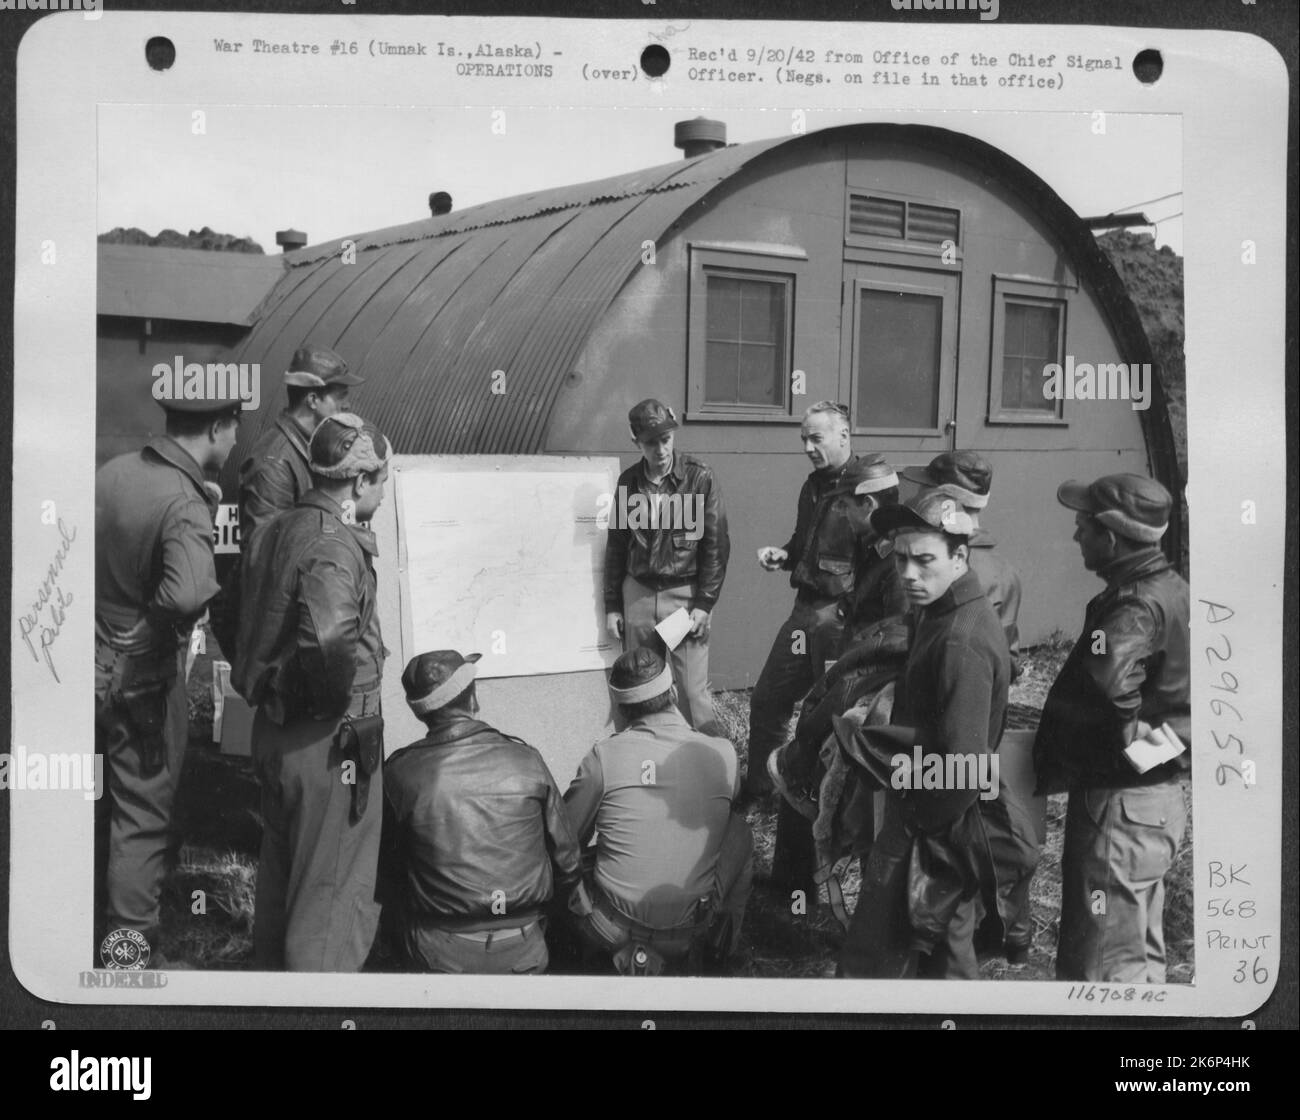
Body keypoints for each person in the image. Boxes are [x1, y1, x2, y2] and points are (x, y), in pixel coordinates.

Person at [232, 413, 391, 971]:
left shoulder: (279, 526)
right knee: (328, 906)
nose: (382, 492)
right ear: (358, 481)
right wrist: (333, 712)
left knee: (284, 887)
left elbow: (235, 612)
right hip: (331, 746)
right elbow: (328, 640)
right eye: (380, 481)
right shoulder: (335, 543)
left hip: (277, 736)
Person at [94, 386, 242, 966]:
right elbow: (185, 595)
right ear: (215, 428)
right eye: (233, 427)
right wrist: (150, 624)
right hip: (144, 679)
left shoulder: (114, 472)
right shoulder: (184, 501)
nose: (234, 441)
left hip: (91, 665)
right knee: (142, 820)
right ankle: (128, 961)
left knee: (101, 806)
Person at [836, 490, 1010, 979]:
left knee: (870, 964)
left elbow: (965, 767)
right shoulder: (940, 613)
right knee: (944, 955)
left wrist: (917, 830)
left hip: (931, 819)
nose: (909, 574)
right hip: (938, 813)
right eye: (902, 559)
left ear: (960, 556)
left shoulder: (961, 637)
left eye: (925, 560)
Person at [1034, 473, 1190, 983]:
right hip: (1156, 806)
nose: (1077, 536)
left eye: (1083, 526)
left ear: (1113, 537)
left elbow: (1112, 686)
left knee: (1101, 968)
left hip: (1120, 810)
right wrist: (1156, 752)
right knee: (1138, 956)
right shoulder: (1173, 590)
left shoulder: (1134, 605)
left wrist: (1125, 753)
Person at [381, 651, 583, 974]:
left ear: (422, 713)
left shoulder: (398, 773)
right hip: (522, 943)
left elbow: (387, 873)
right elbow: (569, 862)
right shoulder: (526, 758)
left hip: (441, 949)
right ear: (472, 698)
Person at [563, 648, 753, 974]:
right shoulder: (724, 753)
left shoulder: (603, 758)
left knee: (571, 855)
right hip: (690, 931)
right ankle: (723, 950)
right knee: (740, 832)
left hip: (611, 929)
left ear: (620, 709)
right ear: (675, 693)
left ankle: (572, 960)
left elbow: (565, 838)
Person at [603, 398, 730, 736]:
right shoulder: (628, 483)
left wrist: (704, 603)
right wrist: (613, 604)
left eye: (665, 439)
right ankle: (645, 763)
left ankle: (711, 769)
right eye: (650, 442)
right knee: (639, 687)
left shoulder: (698, 477)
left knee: (691, 691)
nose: (660, 449)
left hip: (684, 598)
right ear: (636, 441)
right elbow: (616, 546)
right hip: (639, 595)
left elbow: (716, 545)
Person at [901, 450, 1022, 678]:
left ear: (945, 503)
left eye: (924, 490)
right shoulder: (1007, 572)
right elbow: (1010, 661)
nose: (918, 495)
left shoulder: (931, 566)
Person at [236, 343, 362, 551]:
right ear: (313, 399)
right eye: (340, 396)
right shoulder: (273, 464)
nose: (347, 404)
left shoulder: (316, 448)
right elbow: (264, 557)